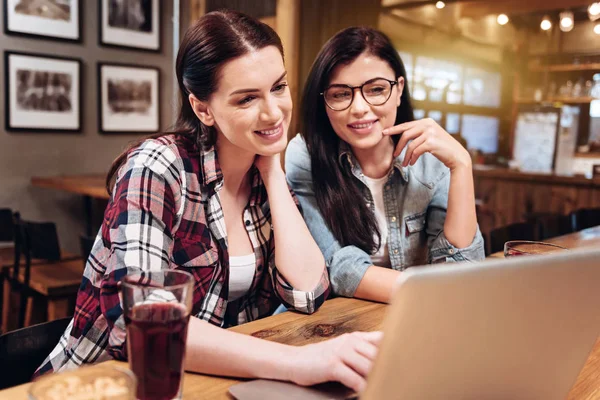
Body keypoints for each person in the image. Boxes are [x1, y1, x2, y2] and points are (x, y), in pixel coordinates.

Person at [35, 12, 381, 393]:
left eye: (278, 87)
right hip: (101, 385)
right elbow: (145, 321)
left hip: (204, 382)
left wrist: (273, 172)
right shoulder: (159, 167)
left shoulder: (262, 173)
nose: (273, 112)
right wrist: (297, 362)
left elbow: (307, 293)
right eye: (247, 98)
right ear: (203, 109)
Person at [285, 27, 485, 304]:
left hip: (418, 316)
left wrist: (462, 165)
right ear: (324, 102)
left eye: (376, 89)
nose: (359, 107)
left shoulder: (431, 158)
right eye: (341, 94)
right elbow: (337, 266)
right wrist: (437, 292)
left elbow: (464, 267)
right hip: (340, 323)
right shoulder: (305, 155)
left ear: (399, 89)